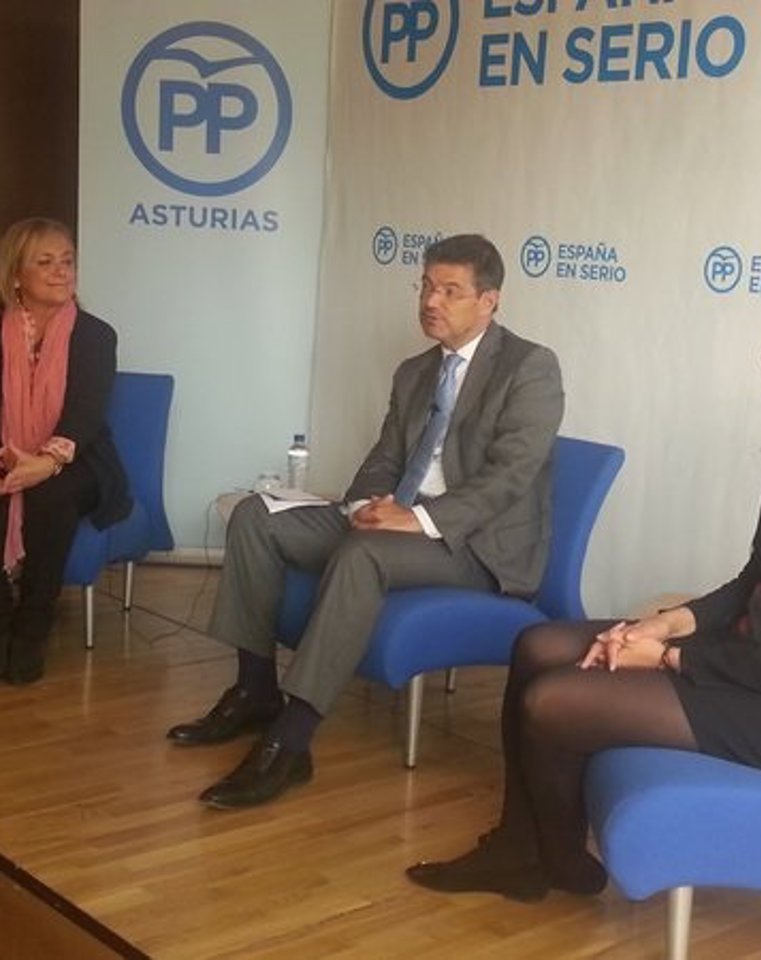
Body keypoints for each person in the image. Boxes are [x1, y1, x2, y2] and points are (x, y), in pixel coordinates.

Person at [406, 276, 761, 902]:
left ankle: (550, 860)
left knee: (554, 703)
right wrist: (667, 624)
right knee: (537, 646)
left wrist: (672, 659)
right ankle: (520, 848)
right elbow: (756, 581)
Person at [167, 233, 565, 809]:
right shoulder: (414, 372)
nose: (431, 301)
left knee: (364, 554)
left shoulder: (530, 367)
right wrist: (364, 506)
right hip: (398, 523)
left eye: (450, 291)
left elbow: (511, 475)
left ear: (489, 301)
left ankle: (292, 741)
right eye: (426, 286)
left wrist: (418, 519)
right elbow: (383, 458)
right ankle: (255, 689)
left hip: (473, 547)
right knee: (256, 515)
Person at [0, 218, 129, 685]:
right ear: (15, 275)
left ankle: (32, 627)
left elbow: (86, 415)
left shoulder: (96, 335)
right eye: (45, 262)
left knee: (51, 494)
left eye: (67, 261)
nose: (61, 271)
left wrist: (46, 462)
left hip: (76, 456)